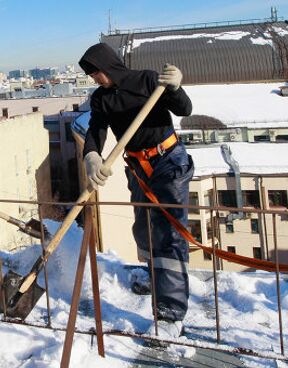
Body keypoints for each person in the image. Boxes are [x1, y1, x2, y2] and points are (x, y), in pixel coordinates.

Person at [78, 43, 194, 337]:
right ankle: (154, 276)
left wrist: (175, 88)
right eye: (91, 75)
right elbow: (96, 130)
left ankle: (170, 313)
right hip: (138, 167)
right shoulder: (101, 98)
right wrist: (92, 156)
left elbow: (185, 109)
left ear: (109, 65)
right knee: (143, 228)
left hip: (168, 160)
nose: (95, 79)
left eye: (96, 73)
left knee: (169, 233)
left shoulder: (147, 80)